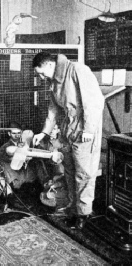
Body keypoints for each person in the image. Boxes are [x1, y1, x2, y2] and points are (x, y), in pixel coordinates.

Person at [32, 52, 104, 229]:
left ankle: (84, 213)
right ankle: (74, 210)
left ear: (50, 65)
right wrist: (44, 133)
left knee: (84, 173)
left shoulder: (78, 70)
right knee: (70, 171)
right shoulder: (53, 81)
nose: (41, 77)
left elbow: (94, 102)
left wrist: (88, 130)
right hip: (68, 130)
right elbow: (53, 110)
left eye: (42, 73)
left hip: (84, 129)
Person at [0, 121, 37, 189]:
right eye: (14, 133)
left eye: (19, 133)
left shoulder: (25, 143)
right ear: (9, 133)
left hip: (27, 177)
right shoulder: (5, 147)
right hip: (15, 177)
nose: (17, 135)